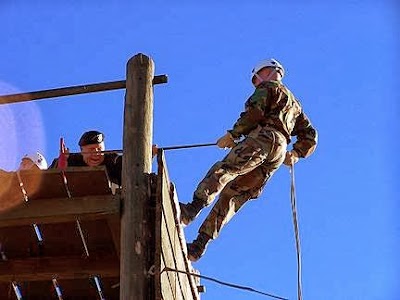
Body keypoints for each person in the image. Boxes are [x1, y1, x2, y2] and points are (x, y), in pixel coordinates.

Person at [180, 58, 318, 262]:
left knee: (225, 169)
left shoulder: (268, 88)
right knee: (235, 195)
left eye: (256, 78)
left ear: (267, 72)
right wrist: (295, 154)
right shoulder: (295, 105)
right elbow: (310, 135)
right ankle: (199, 246)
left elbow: (254, 113)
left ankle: (191, 210)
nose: (255, 83)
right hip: (278, 152)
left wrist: (233, 134)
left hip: (263, 138)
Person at [49, 130, 157, 186]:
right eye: (91, 150)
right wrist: (62, 163)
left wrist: (148, 154)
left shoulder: (112, 160)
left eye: (99, 149)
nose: (96, 153)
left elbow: (133, 166)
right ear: (82, 151)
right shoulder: (72, 160)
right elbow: (48, 179)